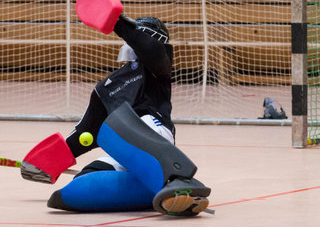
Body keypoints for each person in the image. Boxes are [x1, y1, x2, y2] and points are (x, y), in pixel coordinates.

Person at [20, 14, 211, 216]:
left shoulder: (156, 67)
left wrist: (116, 22)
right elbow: (87, 133)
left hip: (154, 133)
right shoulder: (106, 88)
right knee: (81, 182)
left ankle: (179, 181)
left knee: (128, 124)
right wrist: (51, 161)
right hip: (122, 149)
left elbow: (150, 48)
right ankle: (163, 193)